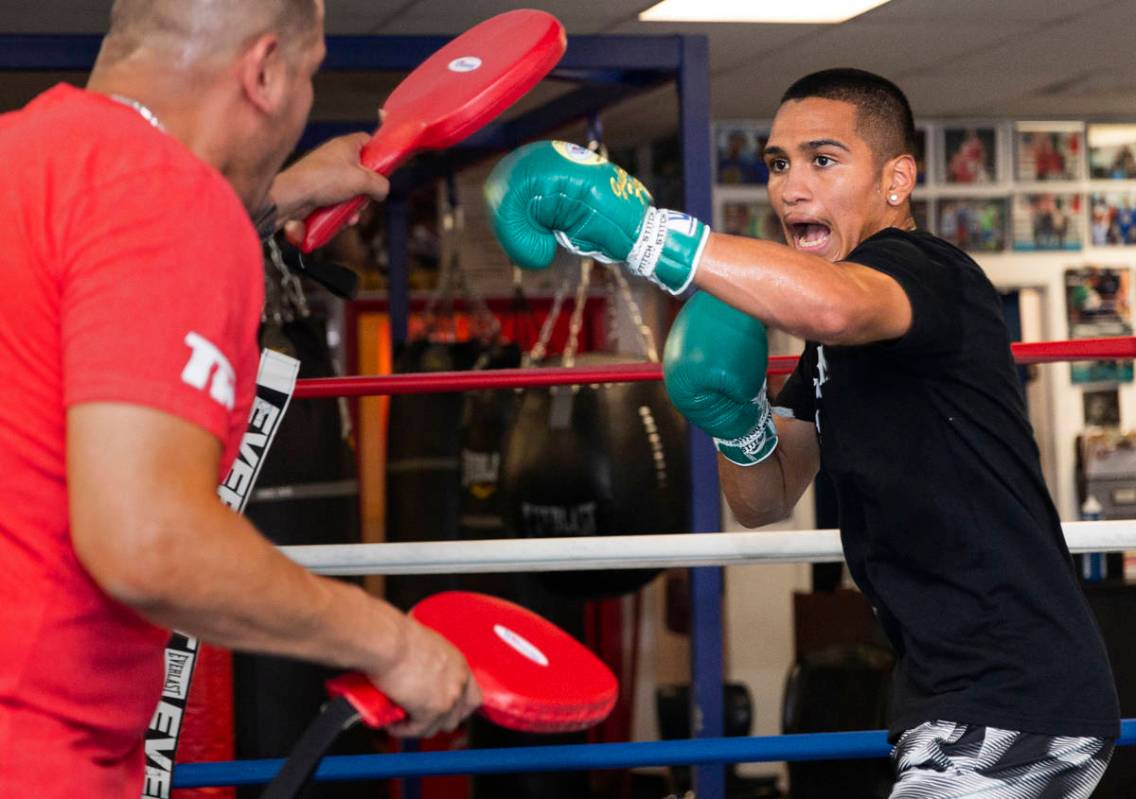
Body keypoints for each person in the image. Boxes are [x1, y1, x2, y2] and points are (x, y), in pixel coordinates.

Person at [484, 68, 1119, 798]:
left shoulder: (925, 274)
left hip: (1014, 689)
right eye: (779, 163)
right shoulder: (827, 348)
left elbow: (839, 306)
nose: (790, 187)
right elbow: (767, 496)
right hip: (945, 691)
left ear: (897, 179)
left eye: (823, 159)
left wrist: (642, 230)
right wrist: (737, 422)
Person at [0, 2, 480, 796]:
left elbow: (106, 242)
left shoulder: (22, 152)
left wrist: (276, 195)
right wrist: (388, 641)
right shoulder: (171, 201)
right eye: (309, 73)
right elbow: (148, 539)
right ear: (263, 72)